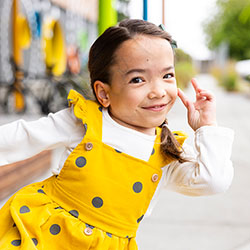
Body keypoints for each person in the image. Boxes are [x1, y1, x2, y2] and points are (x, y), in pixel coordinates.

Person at [0, 19, 234, 249]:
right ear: (103, 93)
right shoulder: (85, 121)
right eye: (138, 79)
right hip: (42, 236)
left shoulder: (167, 150)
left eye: (167, 75)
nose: (158, 91)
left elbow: (213, 181)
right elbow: (20, 137)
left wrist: (207, 127)